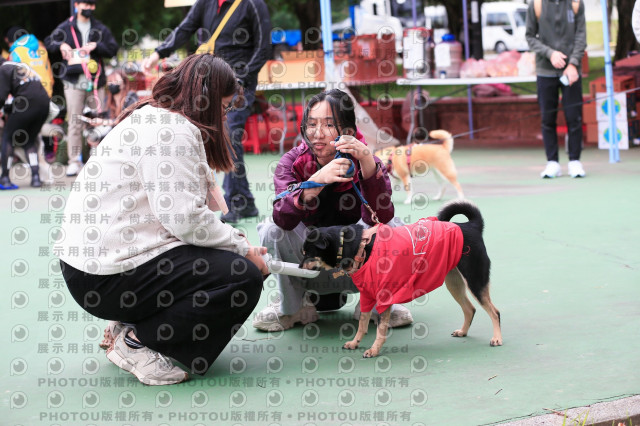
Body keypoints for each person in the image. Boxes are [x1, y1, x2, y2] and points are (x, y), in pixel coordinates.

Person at [56, 54, 268, 385]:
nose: (225, 116)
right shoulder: (172, 132)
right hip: (103, 278)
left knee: (216, 258)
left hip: (91, 269)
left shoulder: (154, 116)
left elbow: (181, 218)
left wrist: (232, 244)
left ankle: (129, 323)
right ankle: (138, 343)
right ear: (208, 100)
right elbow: (186, 220)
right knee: (242, 276)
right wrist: (243, 248)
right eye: (224, 107)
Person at [253, 89, 413, 332]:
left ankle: (377, 301)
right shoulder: (292, 162)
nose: (317, 133)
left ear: (348, 131)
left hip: (356, 267)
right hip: (308, 267)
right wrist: (315, 182)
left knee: (391, 227)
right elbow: (282, 218)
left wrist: (367, 163)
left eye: (328, 125)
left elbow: (381, 217)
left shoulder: (367, 161)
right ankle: (294, 307)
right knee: (271, 228)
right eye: (311, 124)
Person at [142, 0, 271, 224]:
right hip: (210, 81)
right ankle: (245, 201)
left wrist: (243, 77)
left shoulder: (252, 3)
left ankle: (234, 201)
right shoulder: (206, 3)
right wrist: (157, 53)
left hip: (240, 83)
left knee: (229, 134)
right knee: (209, 135)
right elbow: (185, 28)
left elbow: (263, 47)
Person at [45, 0, 118, 177]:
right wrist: (61, 45)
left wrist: (97, 46)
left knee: (98, 122)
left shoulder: (99, 28)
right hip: (73, 82)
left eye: (92, 5)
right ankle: (74, 161)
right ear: (77, 5)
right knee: (75, 123)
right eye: (86, 4)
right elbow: (48, 42)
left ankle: (98, 160)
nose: (89, 8)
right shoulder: (66, 27)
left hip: (95, 81)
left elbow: (113, 49)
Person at [525, 0, 587, 178]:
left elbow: (581, 36)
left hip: (571, 71)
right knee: (547, 118)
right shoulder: (536, 4)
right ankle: (552, 162)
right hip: (545, 71)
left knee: (574, 117)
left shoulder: (576, 3)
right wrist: (549, 53)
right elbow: (530, 37)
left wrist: (573, 63)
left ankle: (575, 161)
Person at [0, 57, 49, 189]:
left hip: (27, 103)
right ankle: (36, 178)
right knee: (29, 141)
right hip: (44, 104)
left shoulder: (3, 69)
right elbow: (28, 90)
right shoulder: (20, 65)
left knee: (8, 138)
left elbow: (1, 97)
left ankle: (4, 178)